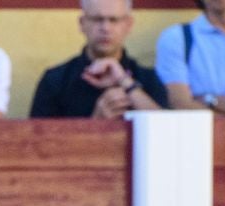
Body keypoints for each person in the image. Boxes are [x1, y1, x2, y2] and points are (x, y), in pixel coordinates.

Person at [29, 0, 164, 119]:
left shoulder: (149, 79)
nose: (105, 28)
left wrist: (125, 81)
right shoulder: (55, 81)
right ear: (82, 24)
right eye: (97, 19)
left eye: (114, 20)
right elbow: (38, 143)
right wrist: (96, 123)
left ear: (128, 25)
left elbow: (166, 132)